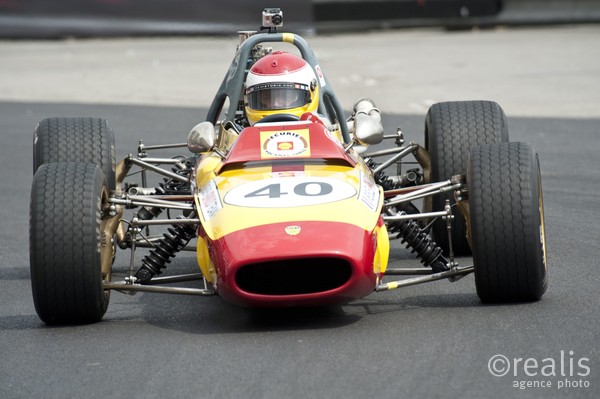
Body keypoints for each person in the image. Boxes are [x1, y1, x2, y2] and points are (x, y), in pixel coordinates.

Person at [244, 51, 319, 125]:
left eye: (285, 97)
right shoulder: (238, 135)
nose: (276, 104)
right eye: (267, 97)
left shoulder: (323, 128)